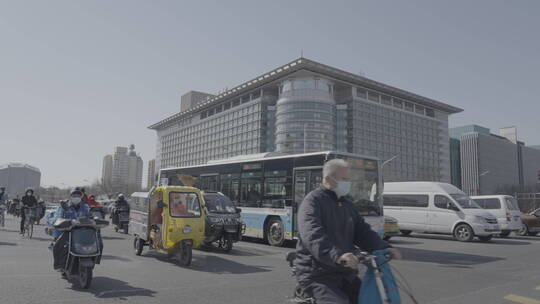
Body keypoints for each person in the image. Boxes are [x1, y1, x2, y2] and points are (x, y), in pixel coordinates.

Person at [294, 159, 401, 304]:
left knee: (368, 298)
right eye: (344, 179)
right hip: (317, 273)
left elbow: (362, 231)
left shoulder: (346, 204)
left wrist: (384, 247)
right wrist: (337, 255)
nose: (348, 183)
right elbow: (312, 235)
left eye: (349, 179)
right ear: (327, 179)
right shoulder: (312, 201)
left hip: (344, 271)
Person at [52, 189, 90, 270]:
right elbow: (57, 218)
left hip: (83, 231)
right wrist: (66, 221)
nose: (76, 197)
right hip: (68, 231)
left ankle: (92, 260)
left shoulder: (85, 207)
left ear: (81, 197)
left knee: (98, 243)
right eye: (74, 196)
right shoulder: (64, 206)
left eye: (78, 196)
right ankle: (60, 265)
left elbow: (89, 217)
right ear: (71, 197)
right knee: (57, 246)